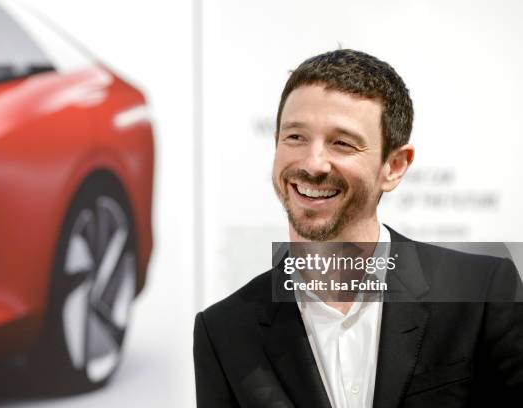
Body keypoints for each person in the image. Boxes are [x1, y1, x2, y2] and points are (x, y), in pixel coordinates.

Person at [193, 49, 523, 407]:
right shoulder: (224, 331)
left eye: (342, 143)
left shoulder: (480, 293)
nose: (313, 163)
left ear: (395, 165)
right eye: (295, 137)